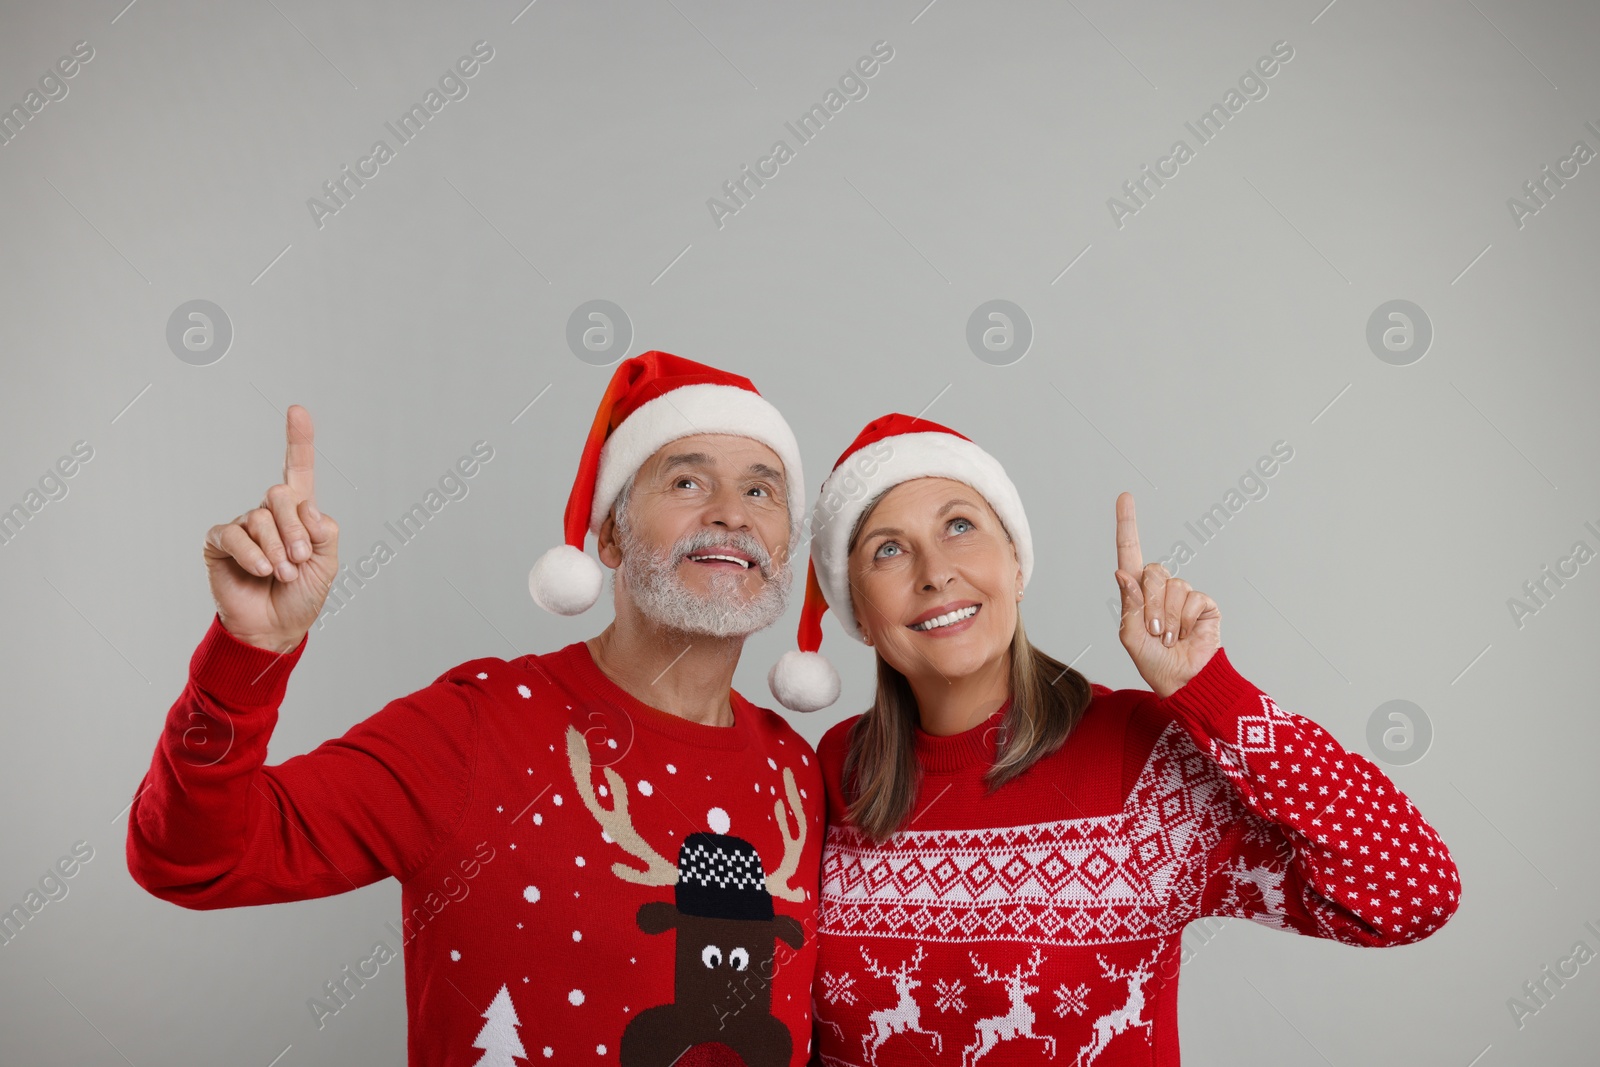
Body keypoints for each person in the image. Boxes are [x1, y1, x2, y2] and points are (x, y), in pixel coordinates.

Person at [125, 351, 831, 1067]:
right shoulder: (475, 729)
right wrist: (248, 652)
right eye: (687, 480)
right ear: (609, 536)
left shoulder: (797, 773)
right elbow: (191, 858)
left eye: (761, 491)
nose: (731, 514)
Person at [765, 413, 1462, 1067]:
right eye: (888, 549)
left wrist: (1211, 690)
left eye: (959, 525)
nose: (934, 571)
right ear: (856, 604)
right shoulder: (833, 770)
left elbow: (1411, 890)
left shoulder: (1135, 752)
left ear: (1014, 561)